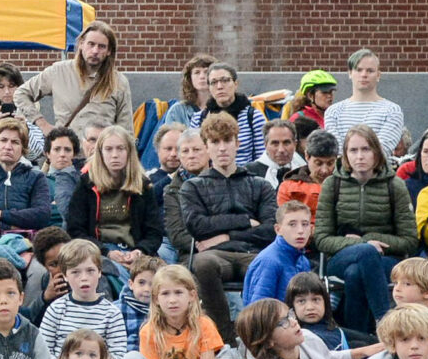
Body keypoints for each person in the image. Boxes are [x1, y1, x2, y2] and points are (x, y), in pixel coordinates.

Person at [170, 111, 275, 333]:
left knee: (270, 264)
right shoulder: (193, 187)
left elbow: (269, 230)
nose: (222, 147)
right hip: (215, 255)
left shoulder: (260, 185)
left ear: (237, 143)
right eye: (215, 142)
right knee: (202, 264)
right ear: (207, 147)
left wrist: (227, 235)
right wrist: (245, 220)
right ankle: (223, 336)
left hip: (252, 252)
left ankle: (259, 333)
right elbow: (197, 226)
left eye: (227, 140)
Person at [315, 124, 420, 335]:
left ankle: (357, 338)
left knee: (356, 273)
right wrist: (362, 244)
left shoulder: (395, 185)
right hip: (341, 257)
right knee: (365, 253)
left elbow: (410, 240)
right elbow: (322, 239)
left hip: (386, 260)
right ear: (345, 154)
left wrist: (373, 239)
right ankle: (385, 323)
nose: (359, 156)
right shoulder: (332, 185)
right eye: (353, 150)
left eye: (366, 149)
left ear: (376, 152)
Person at [65, 125, 161, 274]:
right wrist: (105, 252)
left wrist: (139, 251)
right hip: (100, 251)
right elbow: (76, 230)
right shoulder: (86, 184)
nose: (114, 155)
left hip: (136, 250)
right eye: (109, 149)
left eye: (120, 149)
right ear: (100, 153)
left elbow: (154, 231)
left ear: (129, 152)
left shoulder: (143, 186)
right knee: (112, 272)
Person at [20, 23, 135, 139]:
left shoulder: (118, 82)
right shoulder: (58, 72)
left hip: (99, 153)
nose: (95, 50)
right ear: (81, 44)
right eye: (91, 44)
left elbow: (126, 130)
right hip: (65, 152)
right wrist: (41, 124)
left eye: (101, 46)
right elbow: (21, 94)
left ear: (109, 51)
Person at [0, 116, 56, 246]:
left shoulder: (36, 178)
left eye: (15, 142)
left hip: (29, 245)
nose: (8, 146)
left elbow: (42, 215)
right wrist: (11, 229)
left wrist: (0, 214)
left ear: (23, 149)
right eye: (3, 140)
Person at [34, 240, 132, 359]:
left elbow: (118, 355)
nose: (84, 278)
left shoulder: (112, 313)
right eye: (75, 272)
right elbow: (44, 351)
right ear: (65, 275)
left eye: (90, 271)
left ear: (99, 272)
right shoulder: (56, 309)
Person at [240, 200, 318, 310]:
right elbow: (258, 313)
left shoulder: (303, 260)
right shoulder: (269, 261)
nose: (300, 230)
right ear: (278, 229)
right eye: (292, 224)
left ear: (311, 229)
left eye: (305, 224)